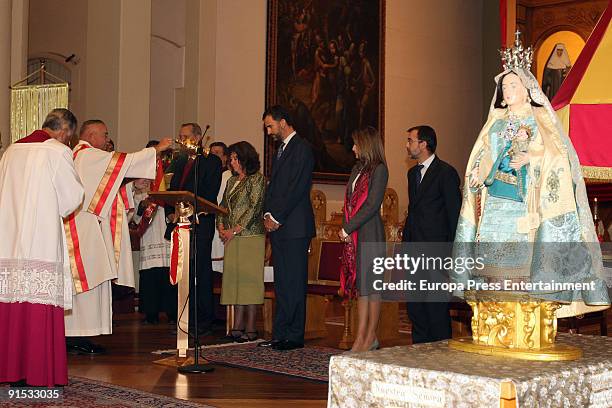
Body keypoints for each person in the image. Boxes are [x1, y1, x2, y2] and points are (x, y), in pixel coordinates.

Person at [453, 53, 610, 314]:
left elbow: (558, 158)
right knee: (492, 271)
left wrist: (531, 158)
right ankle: (495, 317)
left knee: (522, 270)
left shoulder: (540, 119)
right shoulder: (496, 121)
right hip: (494, 208)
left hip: (524, 206)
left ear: (527, 90)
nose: (508, 90)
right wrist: (477, 171)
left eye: (514, 85)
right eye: (504, 86)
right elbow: (482, 153)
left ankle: (526, 320)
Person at [64, 120, 172, 354]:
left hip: (87, 228)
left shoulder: (83, 157)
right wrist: (156, 150)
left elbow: (107, 194)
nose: (106, 140)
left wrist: (132, 187)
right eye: (104, 135)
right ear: (91, 135)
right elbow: (125, 161)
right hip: (83, 231)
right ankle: (74, 336)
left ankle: (81, 335)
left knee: (93, 283)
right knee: (87, 283)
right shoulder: (87, 155)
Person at [0, 108, 84, 386]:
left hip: (10, 239)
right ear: (65, 131)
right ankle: (39, 372)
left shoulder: (11, 150)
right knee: (39, 302)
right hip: (41, 239)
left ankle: (11, 371)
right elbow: (72, 198)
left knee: (13, 303)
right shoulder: (56, 151)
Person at [259, 105, 315, 351]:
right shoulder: (280, 150)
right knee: (282, 282)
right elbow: (274, 188)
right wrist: (267, 214)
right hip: (280, 225)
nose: (269, 131)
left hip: (295, 227)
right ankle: (280, 333)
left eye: (270, 126)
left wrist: (278, 217)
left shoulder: (302, 148)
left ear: (283, 122)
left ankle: (294, 335)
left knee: (294, 282)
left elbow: (297, 188)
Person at [402, 125, 461, 343]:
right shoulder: (412, 174)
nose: (407, 145)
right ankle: (419, 352)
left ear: (423, 144)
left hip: (437, 250)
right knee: (415, 306)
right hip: (414, 249)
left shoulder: (446, 173)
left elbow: (454, 214)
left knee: (436, 307)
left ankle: (441, 354)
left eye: (410, 140)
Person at [165, 123, 222, 336]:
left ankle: (204, 319)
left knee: (201, 271)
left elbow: (208, 191)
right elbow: (171, 190)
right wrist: (171, 212)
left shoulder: (211, 161)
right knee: (182, 271)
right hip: (179, 223)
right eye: (179, 136)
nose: (181, 140)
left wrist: (189, 210)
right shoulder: (179, 161)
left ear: (198, 138)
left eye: (185, 136)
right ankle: (183, 317)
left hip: (200, 222)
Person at [338, 127, 388, 352]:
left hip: (370, 234)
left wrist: (347, 228)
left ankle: (369, 338)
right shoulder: (357, 168)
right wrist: (347, 228)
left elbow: (371, 205)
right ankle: (361, 338)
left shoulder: (380, 170)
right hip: (356, 234)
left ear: (366, 144)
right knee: (362, 288)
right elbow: (349, 200)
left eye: (356, 144)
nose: (353, 148)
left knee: (372, 288)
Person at [217, 141, 266, 342]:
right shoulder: (231, 181)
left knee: (249, 282)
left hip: (250, 236)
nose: (232, 162)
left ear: (246, 158)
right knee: (235, 281)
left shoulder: (257, 180)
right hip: (231, 237)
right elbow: (222, 205)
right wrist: (221, 226)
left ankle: (251, 328)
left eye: (235, 158)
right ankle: (237, 326)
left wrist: (234, 230)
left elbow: (255, 208)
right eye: (231, 158)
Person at [132, 142, 175, 325]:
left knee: (167, 271)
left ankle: (172, 311)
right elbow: (134, 214)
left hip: (165, 233)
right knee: (150, 274)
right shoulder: (139, 177)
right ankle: (151, 313)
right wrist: (141, 206)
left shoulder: (168, 176)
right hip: (149, 234)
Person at [209, 141, 232, 273]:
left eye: (217, 154)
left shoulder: (229, 176)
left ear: (225, 157)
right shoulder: (207, 175)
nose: (213, 157)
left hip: (224, 224)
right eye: (211, 154)